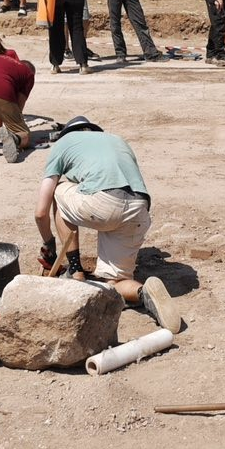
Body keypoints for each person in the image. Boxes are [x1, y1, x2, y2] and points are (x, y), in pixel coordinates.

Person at [32, 116, 181, 330]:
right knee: (115, 283)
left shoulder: (63, 144)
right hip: (138, 207)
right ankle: (144, 292)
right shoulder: (117, 140)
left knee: (57, 190)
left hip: (104, 204)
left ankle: (75, 271)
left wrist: (49, 244)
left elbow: (40, 212)